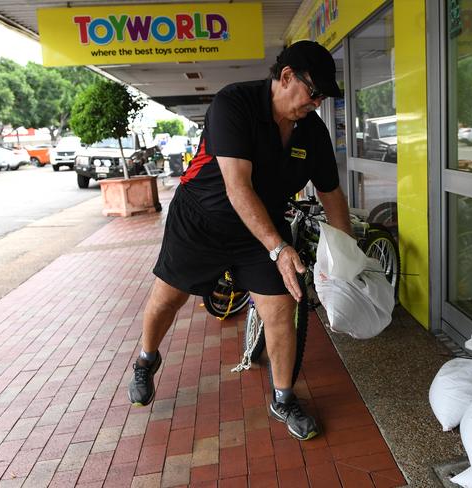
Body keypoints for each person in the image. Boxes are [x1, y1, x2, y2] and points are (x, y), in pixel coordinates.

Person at [128, 40, 353, 441]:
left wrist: (347, 259)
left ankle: (283, 397)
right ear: (286, 77)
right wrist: (280, 248)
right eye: (313, 92)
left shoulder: (312, 133)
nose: (316, 103)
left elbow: (332, 195)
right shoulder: (235, 104)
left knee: (282, 307)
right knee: (169, 297)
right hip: (202, 219)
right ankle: (146, 359)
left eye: (322, 97)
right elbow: (237, 187)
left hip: (259, 227)